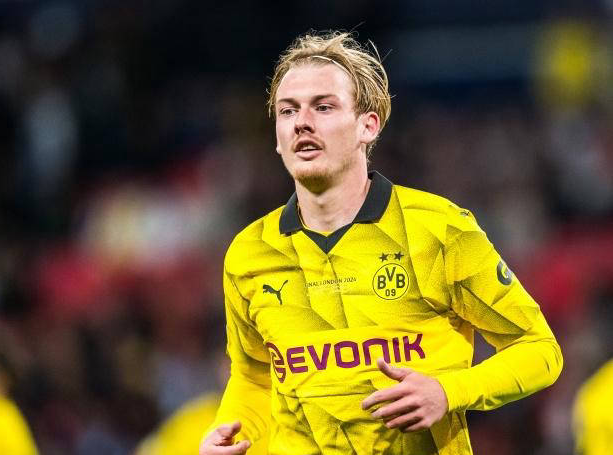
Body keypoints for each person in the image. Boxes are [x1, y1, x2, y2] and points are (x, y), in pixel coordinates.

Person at [200, 31, 563, 455]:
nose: (302, 122)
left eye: (323, 107)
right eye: (288, 110)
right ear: (278, 137)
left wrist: (449, 391)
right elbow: (254, 377)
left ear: (367, 126)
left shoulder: (439, 229)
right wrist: (229, 432)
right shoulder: (249, 253)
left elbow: (539, 350)